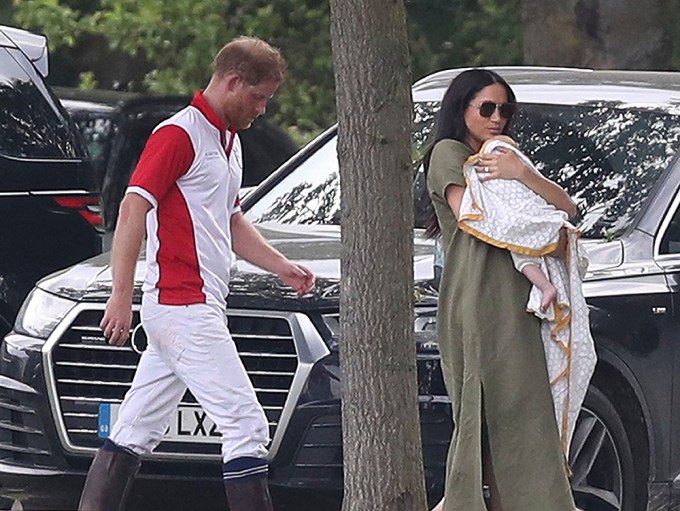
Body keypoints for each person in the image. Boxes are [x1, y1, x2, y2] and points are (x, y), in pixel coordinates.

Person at [77, 36, 315, 511]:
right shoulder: (178, 134)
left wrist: (281, 265)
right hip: (182, 306)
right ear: (232, 82)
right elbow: (131, 210)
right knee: (246, 422)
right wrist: (119, 295)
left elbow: (229, 219)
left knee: (135, 428)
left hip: (191, 306)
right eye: (259, 97)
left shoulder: (228, 141)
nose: (263, 109)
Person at [425, 68, 582, 511]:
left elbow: (568, 207)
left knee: (524, 413)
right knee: (479, 416)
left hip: (520, 300)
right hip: (475, 296)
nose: (497, 118)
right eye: (487, 108)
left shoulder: (506, 156)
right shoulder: (448, 153)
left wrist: (521, 172)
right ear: (462, 108)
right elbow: (478, 216)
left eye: (505, 110)